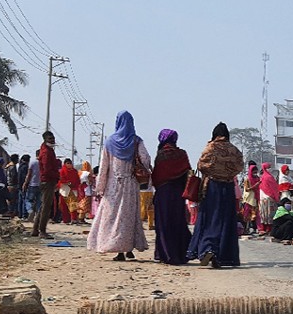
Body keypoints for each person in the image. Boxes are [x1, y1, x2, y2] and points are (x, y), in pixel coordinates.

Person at [87, 111, 151, 261]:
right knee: (129, 216)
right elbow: (146, 160)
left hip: (113, 186)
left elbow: (103, 168)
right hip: (131, 185)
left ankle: (118, 249)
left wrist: (100, 187)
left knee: (113, 217)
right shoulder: (136, 141)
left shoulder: (110, 142)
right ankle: (129, 248)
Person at [187, 122, 245, 268]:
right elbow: (239, 167)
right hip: (228, 188)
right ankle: (222, 256)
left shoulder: (211, 147)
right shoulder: (234, 150)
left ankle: (208, 248)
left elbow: (201, 165)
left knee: (210, 218)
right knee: (226, 221)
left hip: (212, 187)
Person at [151, 129, 192, 265]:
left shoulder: (161, 155)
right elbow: (188, 174)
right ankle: (181, 254)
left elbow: (156, 177)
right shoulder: (182, 154)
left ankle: (165, 254)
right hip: (178, 194)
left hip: (163, 193)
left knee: (163, 224)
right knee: (178, 222)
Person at [32, 131, 59, 238]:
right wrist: (57, 176)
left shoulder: (48, 150)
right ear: (45, 140)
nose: (52, 141)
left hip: (48, 180)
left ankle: (36, 229)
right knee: (46, 207)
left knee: (44, 206)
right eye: (50, 139)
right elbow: (47, 170)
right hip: (47, 181)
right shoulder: (46, 152)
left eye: (53, 139)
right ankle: (42, 230)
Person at [258, 162, 280, 235]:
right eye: (268, 167)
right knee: (270, 214)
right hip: (270, 198)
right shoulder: (269, 177)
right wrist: (276, 197)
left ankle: (263, 228)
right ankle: (269, 229)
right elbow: (274, 188)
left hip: (262, 197)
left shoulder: (262, 177)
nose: (270, 169)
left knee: (263, 214)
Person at [57, 159, 81, 224]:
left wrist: (74, 185)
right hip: (65, 189)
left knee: (73, 205)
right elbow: (61, 179)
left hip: (73, 189)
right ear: (65, 164)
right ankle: (66, 219)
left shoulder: (75, 171)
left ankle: (74, 219)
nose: (69, 164)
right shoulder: (62, 171)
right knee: (63, 205)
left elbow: (78, 180)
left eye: (70, 163)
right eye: (68, 163)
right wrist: (68, 183)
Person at [241, 161, 260, 235]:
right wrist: (256, 185)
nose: (255, 174)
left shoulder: (257, 178)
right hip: (248, 199)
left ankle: (253, 228)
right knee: (246, 214)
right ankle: (245, 229)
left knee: (254, 214)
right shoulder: (247, 179)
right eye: (254, 172)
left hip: (255, 198)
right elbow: (247, 189)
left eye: (256, 172)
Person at [23, 152, 41, 224]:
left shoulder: (32, 163)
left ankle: (30, 211)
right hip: (41, 185)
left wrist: (25, 183)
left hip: (32, 184)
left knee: (28, 200)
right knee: (39, 202)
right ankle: (38, 215)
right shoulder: (44, 163)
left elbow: (29, 174)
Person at [16, 154, 30, 218]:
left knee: (20, 200)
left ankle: (20, 214)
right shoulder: (25, 167)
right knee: (25, 200)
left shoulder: (20, 166)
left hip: (19, 185)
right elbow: (25, 177)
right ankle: (24, 215)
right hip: (23, 185)